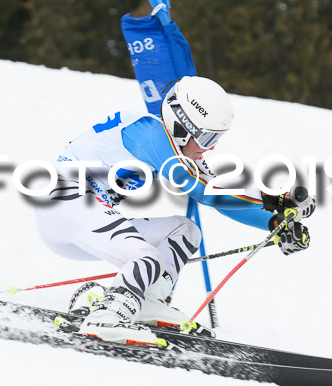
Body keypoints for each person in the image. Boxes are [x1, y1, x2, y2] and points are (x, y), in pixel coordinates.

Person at [33, 76, 315, 346]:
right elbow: (200, 189)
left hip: (86, 216)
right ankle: (107, 317)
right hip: (63, 199)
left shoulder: (174, 145)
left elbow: (213, 191)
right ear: (181, 124)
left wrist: (274, 224)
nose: (211, 147)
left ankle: (147, 303)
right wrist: (272, 198)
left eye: (217, 137)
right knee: (145, 256)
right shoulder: (150, 132)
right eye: (206, 138)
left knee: (185, 230)